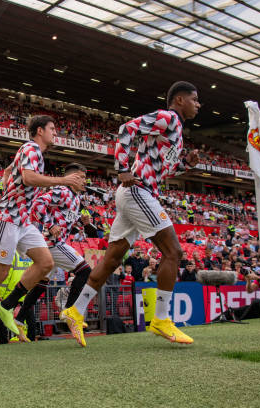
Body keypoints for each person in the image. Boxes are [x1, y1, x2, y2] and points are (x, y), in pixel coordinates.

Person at [61, 81, 201, 346]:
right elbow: (127, 129)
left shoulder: (176, 131)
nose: (198, 104)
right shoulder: (168, 117)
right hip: (138, 190)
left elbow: (163, 170)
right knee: (173, 252)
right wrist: (121, 167)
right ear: (180, 100)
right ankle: (161, 319)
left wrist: (185, 164)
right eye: (195, 99)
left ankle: (75, 310)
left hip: (136, 193)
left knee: (113, 258)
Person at [0, 115, 85, 347]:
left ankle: (6, 306)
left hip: (23, 221)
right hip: (7, 219)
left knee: (45, 263)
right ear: (39, 131)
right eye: (52, 128)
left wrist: (9, 179)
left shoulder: (31, 152)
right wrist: (64, 181)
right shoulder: (31, 148)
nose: (55, 133)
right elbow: (28, 178)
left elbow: (10, 171)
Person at [12, 163, 93, 342]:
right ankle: (71, 310)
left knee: (40, 285)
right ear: (71, 177)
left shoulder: (76, 198)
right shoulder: (63, 190)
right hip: (54, 243)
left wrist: (81, 222)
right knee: (85, 270)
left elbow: (65, 223)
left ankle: (18, 320)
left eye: (84, 178)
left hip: (54, 243)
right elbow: (38, 203)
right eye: (80, 177)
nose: (84, 181)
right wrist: (50, 224)